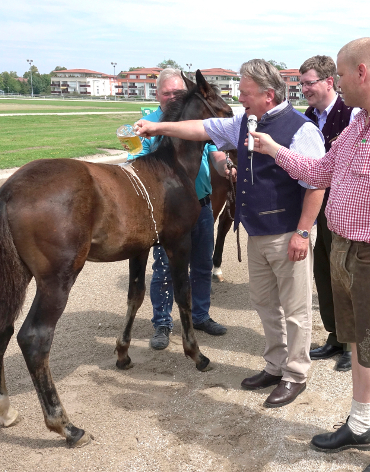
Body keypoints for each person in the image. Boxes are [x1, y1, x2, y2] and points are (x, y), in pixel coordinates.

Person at [249, 38, 370, 471]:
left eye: (341, 76)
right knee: (356, 343)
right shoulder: (360, 122)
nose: (336, 84)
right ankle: (359, 424)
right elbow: (320, 172)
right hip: (346, 250)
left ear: (362, 73)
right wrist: (274, 150)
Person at [135, 59, 325, 408]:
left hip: (287, 234)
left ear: (268, 95)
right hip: (257, 232)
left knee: (295, 309)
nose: (239, 96)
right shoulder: (244, 122)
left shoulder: (302, 129)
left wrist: (302, 232)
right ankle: (275, 364)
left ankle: (296, 373)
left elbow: (316, 184)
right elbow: (201, 128)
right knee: (265, 304)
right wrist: (158, 128)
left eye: (245, 91)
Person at [126, 68, 229, 350]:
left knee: (202, 263)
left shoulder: (196, 121)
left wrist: (226, 167)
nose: (172, 97)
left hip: (200, 203)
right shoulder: (144, 124)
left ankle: (200, 316)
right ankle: (162, 322)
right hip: (166, 211)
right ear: (157, 94)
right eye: (167, 92)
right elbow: (134, 161)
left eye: (177, 93)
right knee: (164, 268)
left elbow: (216, 152)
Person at [299, 55, 359, 372]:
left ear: (328, 82)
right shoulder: (308, 116)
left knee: (345, 274)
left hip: (348, 207)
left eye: (310, 82)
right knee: (323, 270)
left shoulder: (353, 114)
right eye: (302, 83)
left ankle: (353, 343)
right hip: (318, 204)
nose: (304, 88)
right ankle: (335, 336)